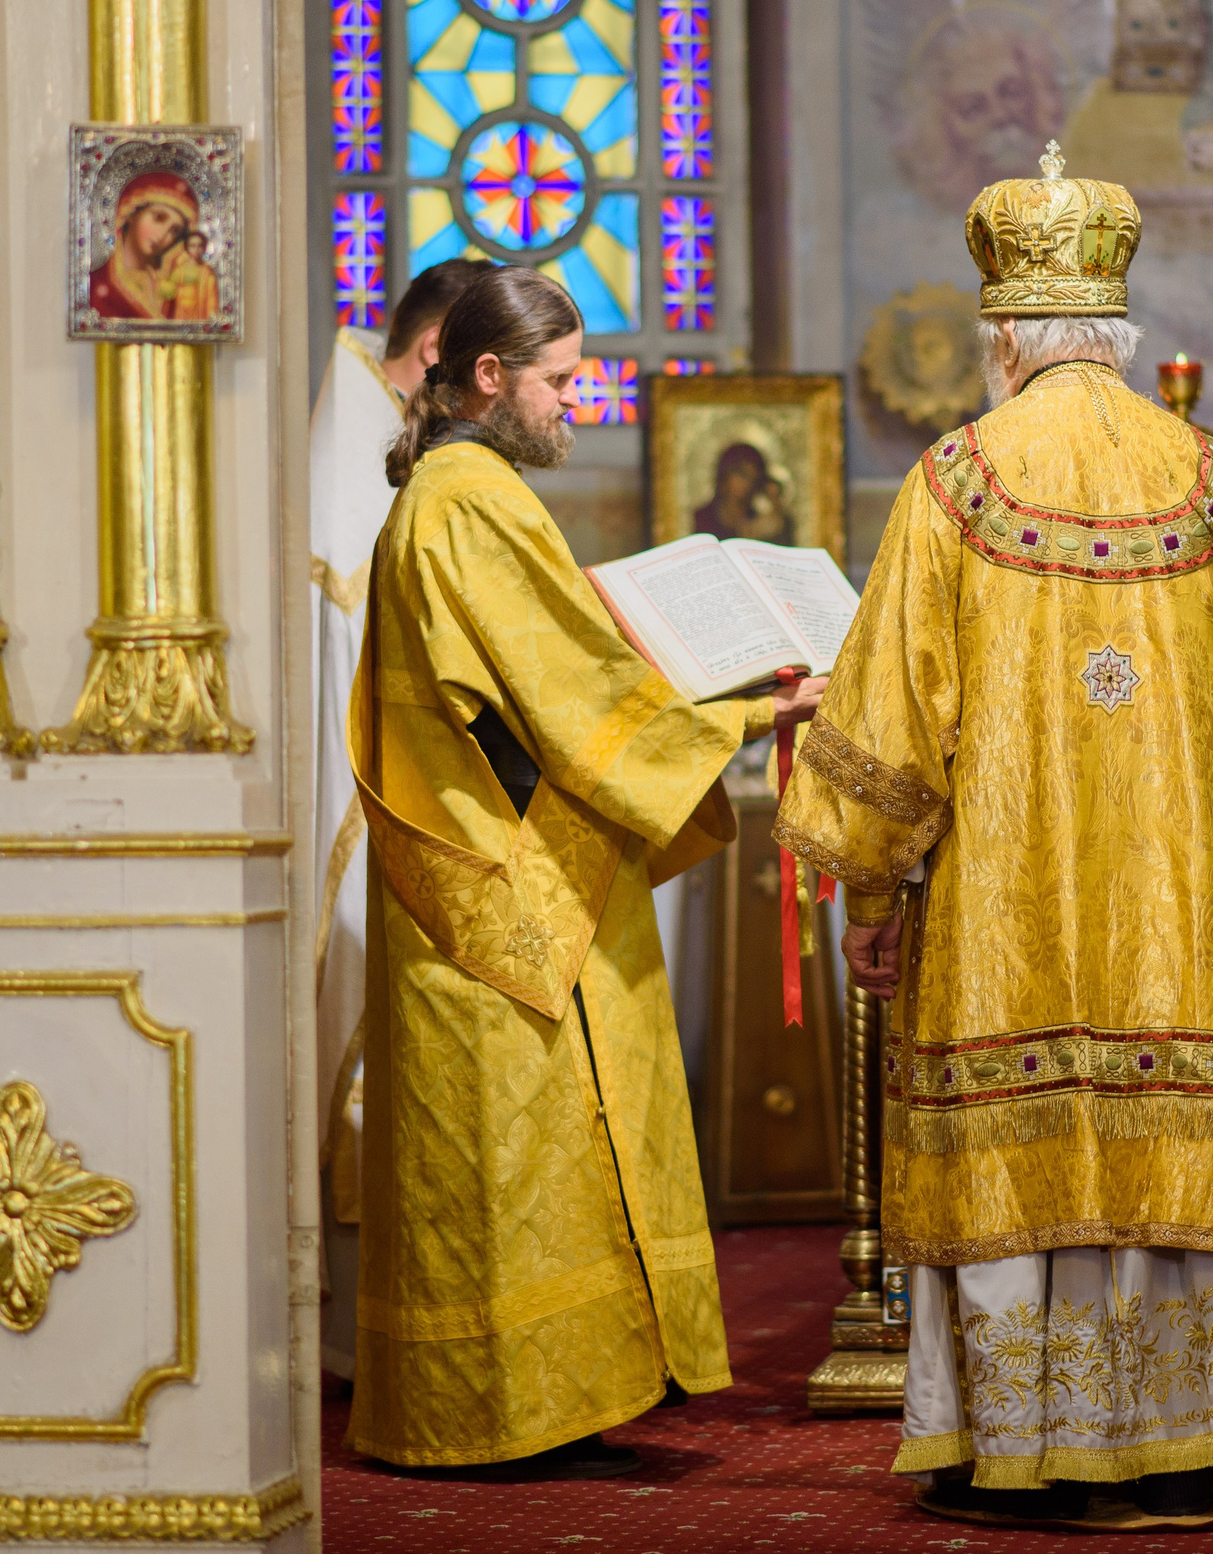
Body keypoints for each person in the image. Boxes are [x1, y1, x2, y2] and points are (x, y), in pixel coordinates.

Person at [774, 143, 1213, 1523]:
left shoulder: (958, 482)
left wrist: (868, 896)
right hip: (1176, 949)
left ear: (1005, 337)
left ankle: (1019, 1442)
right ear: (1116, 329)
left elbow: (892, 743)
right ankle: (1183, 1436)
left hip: (1002, 945)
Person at [347, 265, 824, 1478]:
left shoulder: (463, 490)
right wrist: (740, 711)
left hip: (505, 860)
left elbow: (554, 669)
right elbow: (569, 694)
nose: (580, 402)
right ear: (490, 378)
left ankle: (545, 1400)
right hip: (504, 877)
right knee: (514, 1149)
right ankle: (499, 1411)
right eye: (562, 381)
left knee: (526, 1147)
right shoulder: (467, 500)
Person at [305, 257, 490, 1384]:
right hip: (373, 822)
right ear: (438, 361)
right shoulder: (358, 489)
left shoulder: (378, 457)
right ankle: (353, 1336)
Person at [89, 170, 219, 320]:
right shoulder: (96, 284)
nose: (163, 235)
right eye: (159, 218)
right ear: (131, 213)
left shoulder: (175, 285)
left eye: (175, 231)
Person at [690, 441, 794, 543]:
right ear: (725, 476)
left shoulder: (759, 522)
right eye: (742, 474)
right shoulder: (702, 519)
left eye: (754, 477)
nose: (747, 483)